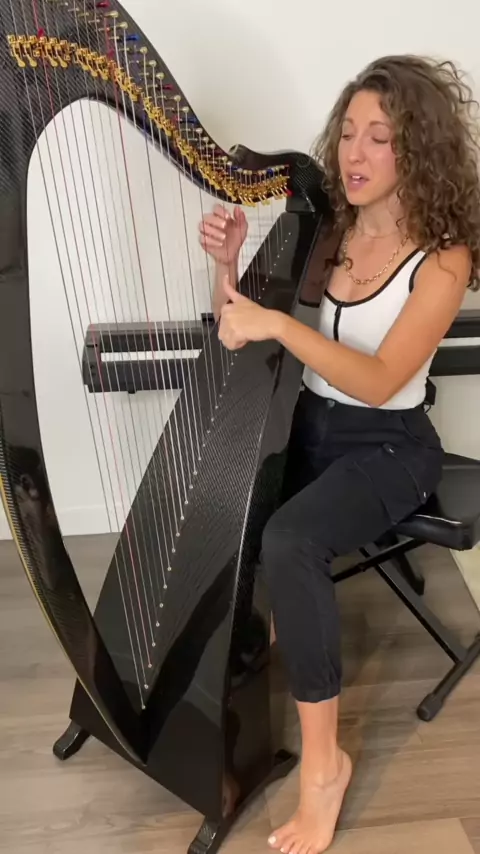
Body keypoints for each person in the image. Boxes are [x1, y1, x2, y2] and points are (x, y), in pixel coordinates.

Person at [199, 54, 480, 854]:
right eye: (348, 132)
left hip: (388, 446)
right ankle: (251, 658)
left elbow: (383, 377)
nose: (354, 153)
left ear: (416, 148)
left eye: (379, 137)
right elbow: (239, 329)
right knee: (225, 497)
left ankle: (325, 768)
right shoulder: (327, 229)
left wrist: (280, 326)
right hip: (308, 428)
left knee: (291, 538)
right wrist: (227, 266)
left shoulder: (444, 258)